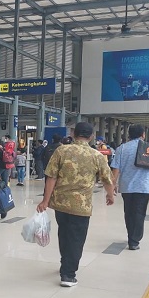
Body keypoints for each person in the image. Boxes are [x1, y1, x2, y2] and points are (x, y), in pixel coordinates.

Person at [37, 122, 114, 287]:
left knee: (64, 234)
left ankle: (65, 264)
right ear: (91, 136)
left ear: (73, 134)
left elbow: (51, 177)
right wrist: (110, 195)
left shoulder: (61, 151)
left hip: (61, 204)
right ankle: (68, 274)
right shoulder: (97, 155)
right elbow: (107, 179)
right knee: (76, 238)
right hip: (81, 206)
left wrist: (45, 200)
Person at [111, 124, 149, 251]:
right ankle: (134, 241)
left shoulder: (122, 148)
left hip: (126, 187)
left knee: (129, 213)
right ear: (143, 134)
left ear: (129, 134)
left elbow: (116, 169)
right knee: (139, 213)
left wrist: (113, 185)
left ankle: (131, 236)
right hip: (143, 187)